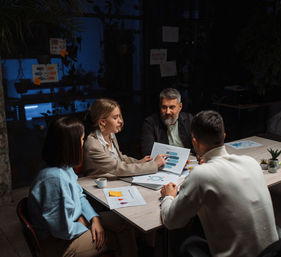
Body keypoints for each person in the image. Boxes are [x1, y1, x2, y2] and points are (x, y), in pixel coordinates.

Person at [160, 110, 279, 257]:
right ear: (223, 136)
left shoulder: (201, 174)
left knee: (183, 241)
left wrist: (168, 196)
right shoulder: (251, 162)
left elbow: (171, 221)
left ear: (195, 141)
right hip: (272, 252)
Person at [27, 116, 136, 257]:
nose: (83, 143)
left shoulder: (63, 165)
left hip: (71, 225)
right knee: (115, 237)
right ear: (70, 145)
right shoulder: (54, 178)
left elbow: (79, 194)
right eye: (81, 139)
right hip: (59, 243)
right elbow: (63, 231)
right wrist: (87, 224)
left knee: (123, 223)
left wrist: (94, 218)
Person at [83, 98, 166, 178]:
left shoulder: (111, 135)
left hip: (114, 178)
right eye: (115, 118)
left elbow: (120, 158)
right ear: (103, 122)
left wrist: (140, 162)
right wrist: (154, 165)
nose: (120, 121)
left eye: (119, 116)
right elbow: (118, 168)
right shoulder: (93, 145)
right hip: (96, 185)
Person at [140, 88, 193, 156]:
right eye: (164, 107)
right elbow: (148, 152)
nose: (167, 112)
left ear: (180, 107)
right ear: (160, 106)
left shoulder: (189, 119)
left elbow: (198, 146)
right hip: (163, 162)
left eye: (172, 107)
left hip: (188, 159)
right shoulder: (150, 123)